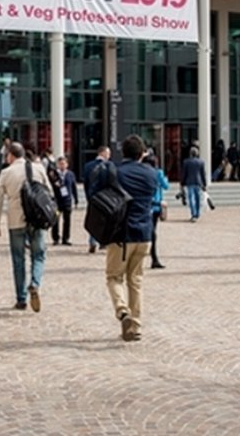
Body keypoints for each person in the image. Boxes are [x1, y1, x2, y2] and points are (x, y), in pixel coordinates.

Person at [105, 135, 157, 342]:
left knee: (113, 277)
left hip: (121, 234)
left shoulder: (116, 172)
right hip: (144, 233)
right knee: (135, 280)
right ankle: (135, 327)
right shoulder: (151, 174)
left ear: (123, 152)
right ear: (142, 153)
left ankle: (122, 310)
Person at [0, 142, 50, 311]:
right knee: (38, 255)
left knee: (18, 259)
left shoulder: (6, 172)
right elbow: (49, 193)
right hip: (37, 219)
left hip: (16, 220)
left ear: (11, 155)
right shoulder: (39, 168)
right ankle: (35, 283)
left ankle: (21, 298)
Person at [83, 145, 111, 253]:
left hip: (93, 197)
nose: (109, 156)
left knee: (93, 219)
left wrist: (88, 196)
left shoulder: (88, 166)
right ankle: (102, 242)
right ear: (103, 153)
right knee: (105, 220)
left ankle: (92, 241)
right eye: (108, 153)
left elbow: (86, 183)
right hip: (105, 197)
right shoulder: (108, 165)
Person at [143, 155, 170, 269]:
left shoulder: (142, 173)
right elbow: (166, 186)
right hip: (155, 206)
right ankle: (153, 257)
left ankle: (152, 257)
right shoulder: (158, 173)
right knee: (153, 233)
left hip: (146, 205)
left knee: (150, 232)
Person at [52, 156, 79, 246]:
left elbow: (74, 187)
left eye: (64, 164)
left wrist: (76, 199)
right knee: (56, 220)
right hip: (57, 201)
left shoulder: (70, 174)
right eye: (60, 164)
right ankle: (56, 238)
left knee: (67, 220)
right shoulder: (54, 174)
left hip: (67, 201)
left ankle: (65, 238)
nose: (62, 165)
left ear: (67, 165)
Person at [180, 147, 207, 222]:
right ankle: (197, 213)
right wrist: (204, 184)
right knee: (197, 198)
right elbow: (203, 174)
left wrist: (182, 182)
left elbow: (184, 173)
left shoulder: (186, 162)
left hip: (190, 182)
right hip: (198, 182)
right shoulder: (201, 162)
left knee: (191, 198)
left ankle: (193, 214)